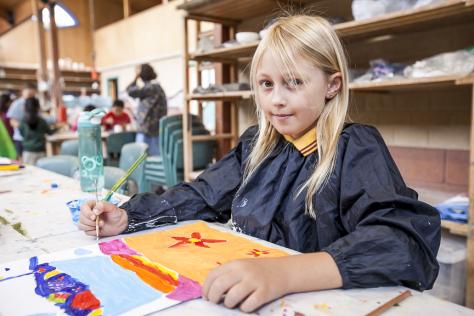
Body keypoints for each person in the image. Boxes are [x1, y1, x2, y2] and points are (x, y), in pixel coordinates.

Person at [79, 15, 440, 313]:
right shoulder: (258, 143)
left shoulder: (355, 148)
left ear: (332, 85)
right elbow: (205, 194)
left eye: (294, 83)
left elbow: (402, 240)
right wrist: (132, 217)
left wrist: (285, 274)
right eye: (266, 84)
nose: (276, 100)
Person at [126, 63, 167, 155]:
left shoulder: (150, 87)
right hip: (154, 128)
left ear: (142, 74)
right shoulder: (156, 87)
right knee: (154, 156)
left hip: (147, 129)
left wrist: (135, 77)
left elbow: (129, 91)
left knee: (140, 158)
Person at [19, 97, 58, 165]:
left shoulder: (23, 121)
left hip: (28, 152)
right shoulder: (42, 121)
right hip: (41, 151)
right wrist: (58, 128)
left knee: (29, 173)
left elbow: (21, 134)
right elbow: (49, 132)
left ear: (25, 108)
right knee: (41, 173)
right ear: (38, 107)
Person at [7, 83, 37, 160]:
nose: (31, 96)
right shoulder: (17, 104)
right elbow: (12, 121)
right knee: (22, 161)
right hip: (21, 138)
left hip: (33, 139)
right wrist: (24, 129)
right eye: (29, 94)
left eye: (33, 94)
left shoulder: (35, 103)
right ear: (23, 92)